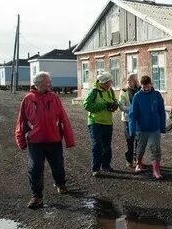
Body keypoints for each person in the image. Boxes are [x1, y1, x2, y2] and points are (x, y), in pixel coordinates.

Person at [14, 72, 75, 209]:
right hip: (35, 141)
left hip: (54, 139)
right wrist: (20, 140)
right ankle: (37, 196)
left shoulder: (54, 98)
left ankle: (60, 184)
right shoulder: (28, 99)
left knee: (58, 165)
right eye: (48, 82)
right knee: (35, 168)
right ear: (39, 83)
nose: (50, 84)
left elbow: (64, 118)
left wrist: (69, 139)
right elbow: (21, 121)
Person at [129, 75, 166, 179]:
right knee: (140, 148)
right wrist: (132, 130)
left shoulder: (157, 95)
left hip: (155, 128)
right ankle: (139, 163)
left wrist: (162, 127)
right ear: (141, 86)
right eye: (144, 87)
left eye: (148, 86)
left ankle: (156, 170)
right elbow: (133, 114)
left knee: (156, 148)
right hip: (141, 128)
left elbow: (161, 112)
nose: (146, 89)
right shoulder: (137, 96)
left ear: (151, 84)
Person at [83, 71, 118, 177]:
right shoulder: (94, 91)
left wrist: (114, 105)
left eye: (110, 83)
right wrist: (104, 105)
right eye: (107, 83)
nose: (109, 85)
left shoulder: (110, 91)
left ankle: (106, 165)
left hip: (107, 122)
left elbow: (114, 100)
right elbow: (87, 105)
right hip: (95, 122)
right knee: (97, 145)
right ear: (102, 83)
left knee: (107, 145)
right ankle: (96, 168)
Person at [119, 74, 139, 168]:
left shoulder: (140, 90)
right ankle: (129, 159)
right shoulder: (123, 91)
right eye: (127, 80)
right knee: (129, 140)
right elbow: (121, 106)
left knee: (138, 140)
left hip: (139, 119)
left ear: (135, 81)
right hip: (127, 119)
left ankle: (137, 159)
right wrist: (132, 110)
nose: (128, 82)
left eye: (130, 80)